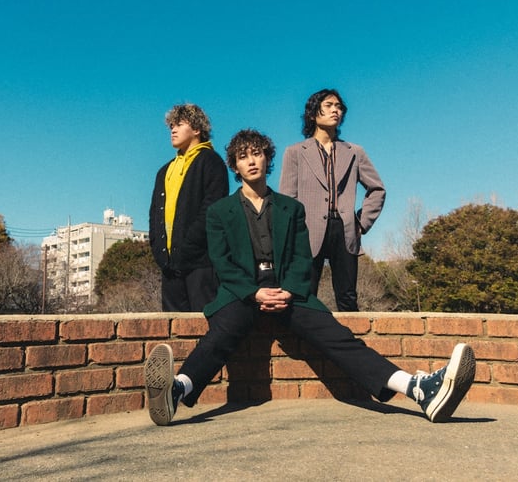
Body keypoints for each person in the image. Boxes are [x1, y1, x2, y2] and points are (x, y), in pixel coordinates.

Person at [144, 129, 475, 426]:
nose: (251, 161)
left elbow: (303, 258)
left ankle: (418, 389)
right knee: (221, 333)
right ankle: (177, 389)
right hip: (242, 292)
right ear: (235, 166)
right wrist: (254, 293)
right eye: (243, 156)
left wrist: (287, 291)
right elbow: (222, 262)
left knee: (336, 335)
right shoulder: (220, 212)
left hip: (288, 291)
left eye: (257, 153)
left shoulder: (292, 208)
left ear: (267, 159)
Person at [280, 88, 385, 311]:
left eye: (338, 107)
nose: (335, 110)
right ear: (312, 113)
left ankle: (351, 335)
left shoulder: (355, 151)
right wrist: (294, 232)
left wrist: (361, 223)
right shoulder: (295, 152)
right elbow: (287, 199)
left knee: (347, 298)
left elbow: (377, 189)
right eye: (328, 106)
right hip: (307, 230)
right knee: (304, 295)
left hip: (344, 229)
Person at [149, 104, 229, 312]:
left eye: (179, 124)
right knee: (172, 326)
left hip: (201, 264)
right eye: (171, 126)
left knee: (204, 322)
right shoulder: (164, 170)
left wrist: (188, 246)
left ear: (197, 129)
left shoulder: (211, 161)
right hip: (169, 266)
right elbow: (154, 214)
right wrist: (158, 250)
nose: (173, 130)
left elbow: (212, 209)